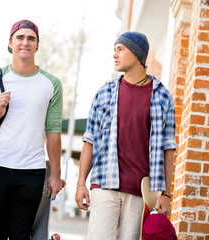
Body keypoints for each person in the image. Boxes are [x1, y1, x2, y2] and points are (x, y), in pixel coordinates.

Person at [75, 31, 177, 240]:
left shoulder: (162, 95)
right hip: (104, 186)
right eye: (114, 50)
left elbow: (168, 147)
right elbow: (89, 140)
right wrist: (81, 184)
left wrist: (166, 194)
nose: (115, 55)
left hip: (140, 193)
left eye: (120, 49)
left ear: (138, 54)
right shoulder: (104, 92)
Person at [0, 19, 63, 239]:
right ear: (10, 43)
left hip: (32, 171)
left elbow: (53, 131)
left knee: (21, 235)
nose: (25, 42)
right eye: (20, 37)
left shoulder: (51, 84)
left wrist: (56, 174)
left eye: (31, 38)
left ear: (37, 45)